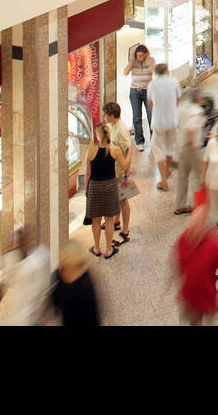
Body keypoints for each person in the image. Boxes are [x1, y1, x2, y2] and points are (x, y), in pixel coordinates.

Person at [172, 204, 218, 325]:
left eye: (198, 224)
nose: (193, 228)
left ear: (203, 226)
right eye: (192, 224)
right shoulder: (182, 241)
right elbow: (179, 264)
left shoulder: (213, 245)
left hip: (208, 297)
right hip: (190, 296)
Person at [0, 227, 51, 325]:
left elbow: (48, 288)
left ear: (31, 239)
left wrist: (45, 311)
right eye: (20, 239)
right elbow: (4, 283)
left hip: (36, 310)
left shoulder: (40, 257)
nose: (23, 243)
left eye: (25, 239)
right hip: (20, 313)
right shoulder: (10, 258)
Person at [84, 124, 123, 258]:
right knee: (109, 219)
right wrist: (129, 153)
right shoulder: (115, 150)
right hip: (110, 185)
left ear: (97, 135)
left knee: (96, 220)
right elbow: (124, 166)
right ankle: (108, 249)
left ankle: (96, 247)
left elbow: (88, 174)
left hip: (95, 186)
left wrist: (86, 189)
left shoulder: (91, 151)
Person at [102, 101, 137, 244]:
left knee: (123, 200)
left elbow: (128, 148)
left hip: (120, 170)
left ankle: (125, 229)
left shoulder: (121, 130)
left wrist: (127, 170)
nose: (103, 116)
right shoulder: (112, 126)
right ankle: (116, 221)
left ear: (111, 115)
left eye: (105, 114)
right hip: (114, 169)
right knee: (117, 197)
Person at [148, 62, 180, 192]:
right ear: (166, 71)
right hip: (172, 121)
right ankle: (167, 170)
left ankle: (164, 180)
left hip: (158, 122)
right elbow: (178, 99)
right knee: (170, 146)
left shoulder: (152, 85)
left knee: (158, 149)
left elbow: (150, 103)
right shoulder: (174, 82)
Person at [173, 90, 206, 215]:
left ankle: (180, 205)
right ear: (199, 99)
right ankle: (201, 204)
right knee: (201, 176)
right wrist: (192, 143)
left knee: (183, 177)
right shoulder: (197, 111)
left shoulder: (183, 110)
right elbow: (190, 129)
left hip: (182, 148)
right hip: (192, 149)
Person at [51, 242, 99, 327]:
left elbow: (92, 316)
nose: (60, 260)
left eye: (65, 257)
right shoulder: (60, 273)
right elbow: (56, 297)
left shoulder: (85, 285)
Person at [123, 44, 156, 148]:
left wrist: (149, 60)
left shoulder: (150, 61)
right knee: (137, 117)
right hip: (135, 92)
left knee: (151, 116)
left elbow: (155, 71)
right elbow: (125, 72)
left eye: (142, 56)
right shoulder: (133, 62)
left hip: (148, 92)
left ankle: (154, 139)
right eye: (138, 56)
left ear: (146, 54)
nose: (140, 58)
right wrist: (132, 61)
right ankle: (139, 141)